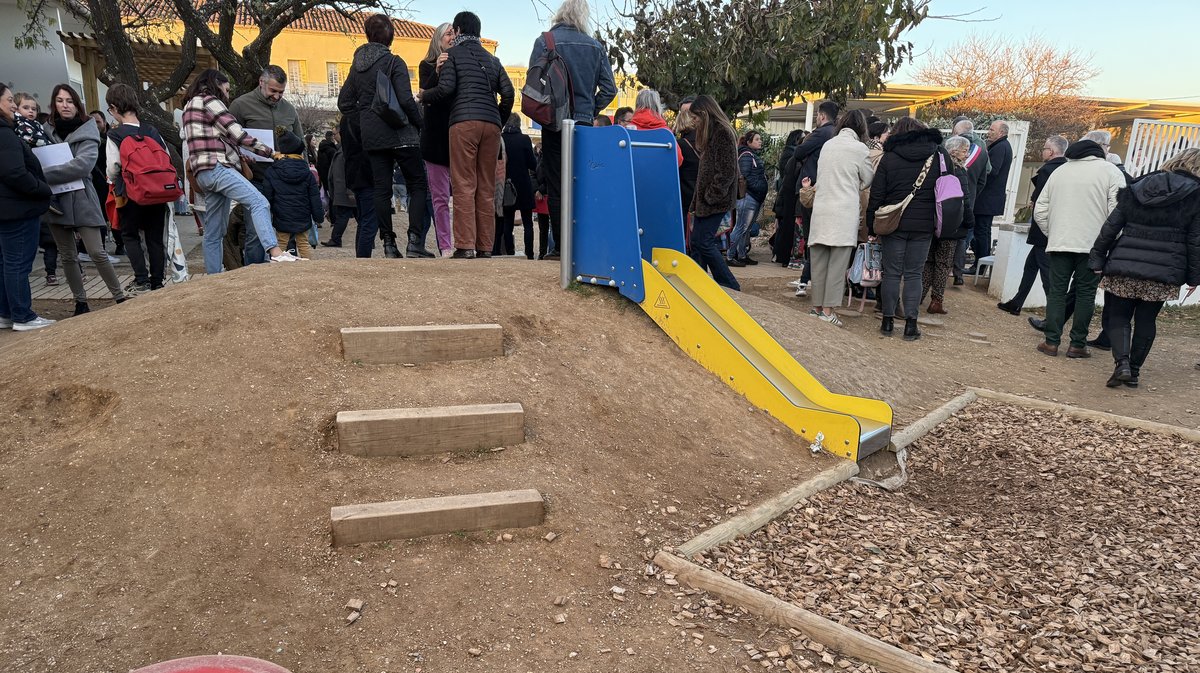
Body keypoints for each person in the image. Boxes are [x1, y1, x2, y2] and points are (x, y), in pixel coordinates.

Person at [1089, 148, 1200, 388]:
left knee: (1118, 316)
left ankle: (1122, 364)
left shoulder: (1140, 185)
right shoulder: (1196, 195)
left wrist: (1098, 257)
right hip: (1165, 268)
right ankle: (1135, 371)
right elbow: (1195, 239)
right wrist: (1194, 276)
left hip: (1124, 262)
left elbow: (1112, 224)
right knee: (1147, 319)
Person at [181, 69, 302, 272]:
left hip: (202, 173)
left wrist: (237, 154)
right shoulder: (210, 101)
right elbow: (238, 134)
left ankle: (213, 279)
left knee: (213, 232)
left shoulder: (188, 106)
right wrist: (272, 153)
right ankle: (275, 252)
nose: (227, 95)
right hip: (218, 168)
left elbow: (214, 139)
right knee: (259, 201)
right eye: (226, 90)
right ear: (216, 84)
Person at [420, 11, 514, 258]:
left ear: (459, 30)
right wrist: (498, 119)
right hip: (491, 126)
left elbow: (446, 88)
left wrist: (423, 96)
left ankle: (465, 245)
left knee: (464, 184)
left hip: (463, 123)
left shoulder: (451, 55)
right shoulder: (493, 60)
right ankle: (485, 247)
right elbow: (509, 93)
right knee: (486, 186)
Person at [530, 0, 618, 260]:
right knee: (583, 182)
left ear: (559, 15)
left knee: (556, 185)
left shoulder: (545, 41)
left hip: (553, 122)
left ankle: (560, 247)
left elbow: (535, 81)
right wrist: (589, 110)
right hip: (582, 123)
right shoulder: (595, 46)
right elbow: (610, 89)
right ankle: (584, 245)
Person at [338, 14, 426, 259]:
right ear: (390, 36)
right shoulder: (394, 62)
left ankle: (388, 244)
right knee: (417, 184)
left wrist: (365, 117)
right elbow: (407, 100)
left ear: (368, 35)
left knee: (381, 189)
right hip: (401, 132)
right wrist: (420, 124)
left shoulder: (357, 68)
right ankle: (415, 241)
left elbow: (343, 102)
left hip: (374, 138)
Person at [1032, 137, 1125, 358]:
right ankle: (1077, 345)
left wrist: (1053, 232)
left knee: (1057, 292)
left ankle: (1051, 342)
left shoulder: (1060, 171)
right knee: (1085, 293)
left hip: (1060, 242)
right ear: (1100, 151)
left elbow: (1040, 210)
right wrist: (1109, 241)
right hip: (1094, 246)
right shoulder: (1111, 172)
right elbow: (1119, 212)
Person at [41, 83, 127, 315]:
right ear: (54, 104)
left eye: (69, 101)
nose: (65, 105)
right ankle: (80, 302)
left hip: (82, 198)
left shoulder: (88, 130)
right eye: (60, 101)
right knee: (67, 256)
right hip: (55, 201)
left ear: (77, 104)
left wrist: (43, 173)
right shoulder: (45, 131)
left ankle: (119, 297)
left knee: (97, 252)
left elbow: (82, 166)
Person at [866, 116, 943, 341]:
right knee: (914, 274)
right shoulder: (936, 156)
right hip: (924, 223)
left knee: (891, 273)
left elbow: (876, 194)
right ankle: (911, 324)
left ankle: (888, 321)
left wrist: (872, 224)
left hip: (893, 223)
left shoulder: (889, 158)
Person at [228, 65, 306, 265]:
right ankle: (254, 278)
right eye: (273, 91)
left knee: (287, 231)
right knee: (255, 233)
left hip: (284, 182)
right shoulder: (240, 105)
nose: (277, 96)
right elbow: (228, 140)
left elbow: (300, 144)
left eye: (281, 92)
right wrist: (241, 159)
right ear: (261, 83)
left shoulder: (289, 109)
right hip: (255, 179)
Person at [803, 109, 873, 326]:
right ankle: (828, 310)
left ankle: (816, 307)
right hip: (843, 212)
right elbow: (868, 177)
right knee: (837, 264)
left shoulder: (828, 145)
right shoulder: (860, 148)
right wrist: (855, 185)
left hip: (822, 209)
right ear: (861, 127)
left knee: (819, 262)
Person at [104, 83, 172, 294]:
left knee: (130, 234)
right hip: (157, 191)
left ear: (114, 107)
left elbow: (113, 167)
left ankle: (141, 280)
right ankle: (158, 281)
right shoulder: (152, 131)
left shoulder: (115, 135)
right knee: (154, 237)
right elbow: (167, 158)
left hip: (130, 192)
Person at [0, 82, 56, 331]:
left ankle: (6, 313)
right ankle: (23, 315)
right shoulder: (4, 134)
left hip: (7, 209)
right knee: (18, 263)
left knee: (5, 262)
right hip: (17, 210)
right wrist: (42, 189)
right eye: (10, 100)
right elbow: (15, 172)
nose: (13, 105)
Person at [997, 134, 1069, 316]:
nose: (1042, 151)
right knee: (1031, 266)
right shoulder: (1066, 169)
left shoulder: (1048, 171)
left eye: (1044, 148)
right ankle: (1017, 302)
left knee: (1046, 273)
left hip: (1043, 228)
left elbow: (1041, 199)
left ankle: (1055, 314)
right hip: (1055, 226)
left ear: (1051, 151)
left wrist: (1034, 204)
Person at [773, 101, 838, 271]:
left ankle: (809, 271)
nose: (817, 117)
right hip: (826, 184)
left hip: (810, 186)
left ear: (822, 116)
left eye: (818, 114)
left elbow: (799, 152)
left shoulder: (821, 133)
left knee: (808, 228)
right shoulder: (835, 133)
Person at [688, 95, 740, 291]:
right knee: (698, 241)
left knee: (704, 241)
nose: (694, 122)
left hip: (715, 200)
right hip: (707, 200)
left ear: (704, 113)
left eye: (695, 117)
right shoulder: (712, 132)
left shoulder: (722, 133)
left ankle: (729, 284)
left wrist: (711, 196)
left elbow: (727, 171)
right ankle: (701, 282)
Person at [921, 135, 974, 314]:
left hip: (934, 221)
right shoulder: (959, 171)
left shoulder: (936, 167)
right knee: (943, 263)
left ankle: (918, 296)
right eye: (965, 151)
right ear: (954, 151)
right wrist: (969, 220)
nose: (967, 155)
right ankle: (937, 301)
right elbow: (965, 199)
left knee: (928, 260)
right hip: (952, 225)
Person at [13, 93, 60, 285]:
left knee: (50, 240)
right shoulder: (18, 128)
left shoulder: (39, 127)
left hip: (44, 179)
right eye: (26, 108)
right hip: (31, 183)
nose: (31, 112)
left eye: (34, 109)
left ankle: (52, 272)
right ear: (16, 109)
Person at [420, 22, 456, 257]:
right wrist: (438, 71)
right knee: (440, 197)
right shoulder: (426, 65)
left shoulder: (460, 64)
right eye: (448, 33)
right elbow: (425, 94)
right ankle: (445, 245)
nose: (452, 37)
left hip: (457, 137)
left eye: (454, 33)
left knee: (463, 195)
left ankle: (464, 242)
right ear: (438, 39)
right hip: (434, 140)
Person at [262, 128, 324, 259]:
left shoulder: (272, 171)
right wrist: (318, 217)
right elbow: (314, 197)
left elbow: (268, 196)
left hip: (281, 215)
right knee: (303, 244)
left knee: (281, 243)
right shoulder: (307, 173)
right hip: (303, 216)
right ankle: (308, 270)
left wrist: (270, 214)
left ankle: (277, 271)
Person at [968, 120, 1013, 272]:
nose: (988, 132)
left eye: (992, 130)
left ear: (1001, 133)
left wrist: (978, 174)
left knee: (981, 231)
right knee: (982, 231)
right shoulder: (1000, 146)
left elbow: (993, 171)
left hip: (988, 199)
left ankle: (979, 266)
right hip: (989, 199)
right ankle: (980, 264)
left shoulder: (1000, 147)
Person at [950, 118, 989, 284]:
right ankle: (958, 273)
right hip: (969, 200)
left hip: (947, 201)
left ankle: (941, 270)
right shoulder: (982, 153)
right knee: (961, 238)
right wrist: (973, 194)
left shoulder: (950, 149)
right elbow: (984, 179)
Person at [498, 114, 537, 258]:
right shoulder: (524, 139)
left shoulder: (501, 139)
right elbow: (532, 164)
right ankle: (530, 254)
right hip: (524, 186)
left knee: (507, 222)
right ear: (519, 124)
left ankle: (510, 252)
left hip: (506, 185)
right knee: (528, 223)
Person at [728, 129, 767, 268]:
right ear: (749, 142)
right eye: (757, 139)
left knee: (746, 228)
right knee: (741, 227)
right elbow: (744, 176)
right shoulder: (746, 155)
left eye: (760, 139)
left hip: (754, 197)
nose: (760, 141)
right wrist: (758, 188)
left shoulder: (750, 154)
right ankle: (730, 255)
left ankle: (742, 254)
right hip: (748, 197)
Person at [629, 89, 684, 165]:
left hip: (633, 176)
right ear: (657, 106)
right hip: (660, 176)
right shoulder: (665, 132)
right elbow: (679, 160)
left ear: (637, 105)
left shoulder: (627, 131)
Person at [322, 125, 355, 248]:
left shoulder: (347, 150)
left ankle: (336, 239)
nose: (334, 137)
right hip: (343, 190)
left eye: (335, 134)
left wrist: (349, 190)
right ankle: (336, 239)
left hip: (345, 191)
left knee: (344, 216)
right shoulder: (341, 149)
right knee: (350, 216)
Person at [675, 109, 700, 248]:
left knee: (685, 228)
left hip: (685, 191)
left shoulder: (680, 144)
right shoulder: (704, 141)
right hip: (701, 190)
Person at [533, 144, 552, 259]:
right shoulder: (540, 156)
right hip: (542, 194)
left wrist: (539, 189)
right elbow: (533, 174)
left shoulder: (544, 156)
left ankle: (547, 251)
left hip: (548, 193)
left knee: (548, 227)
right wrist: (537, 190)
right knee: (543, 227)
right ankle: (542, 252)